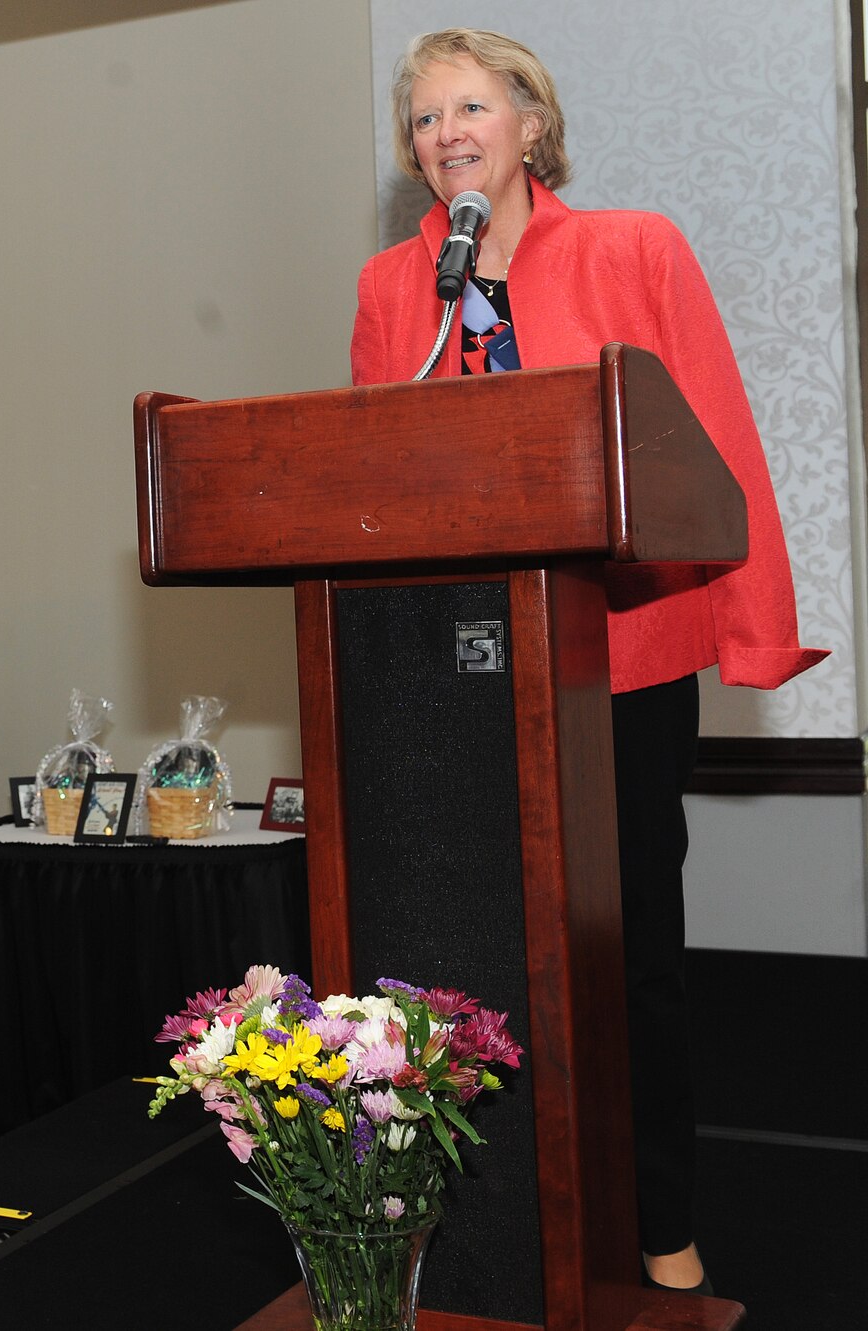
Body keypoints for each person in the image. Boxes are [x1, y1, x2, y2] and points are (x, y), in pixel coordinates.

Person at [351, 28, 828, 1297]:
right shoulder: (390, 285)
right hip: (451, 672)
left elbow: (709, 433)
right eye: (421, 117)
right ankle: (477, 1220)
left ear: (527, 126)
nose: (445, 131)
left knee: (628, 951)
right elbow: (367, 481)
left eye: (469, 105)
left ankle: (654, 1214)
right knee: (456, 943)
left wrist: (747, 609)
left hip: (611, 657)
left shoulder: (631, 247)